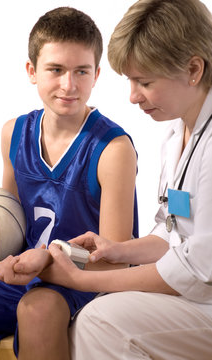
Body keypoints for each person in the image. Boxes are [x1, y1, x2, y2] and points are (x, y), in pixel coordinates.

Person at [35, 0, 212, 358]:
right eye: (131, 80)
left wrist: (85, 280)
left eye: (144, 81)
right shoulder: (178, 131)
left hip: (204, 292)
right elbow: (174, 231)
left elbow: (198, 267)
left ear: (193, 69)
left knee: (102, 321)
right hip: (200, 289)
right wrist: (118, 249)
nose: (133, 96)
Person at [0, 7, 138, 360]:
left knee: (38, 311)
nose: (69, 84)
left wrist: (46, 261)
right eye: (56, 70)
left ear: (97, 75)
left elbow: (116, 261)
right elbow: (10, 227)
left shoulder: (113, 149)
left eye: (81, 71)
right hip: (30, 273)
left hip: (85, 280)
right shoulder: (13, 134)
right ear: (32, 71)